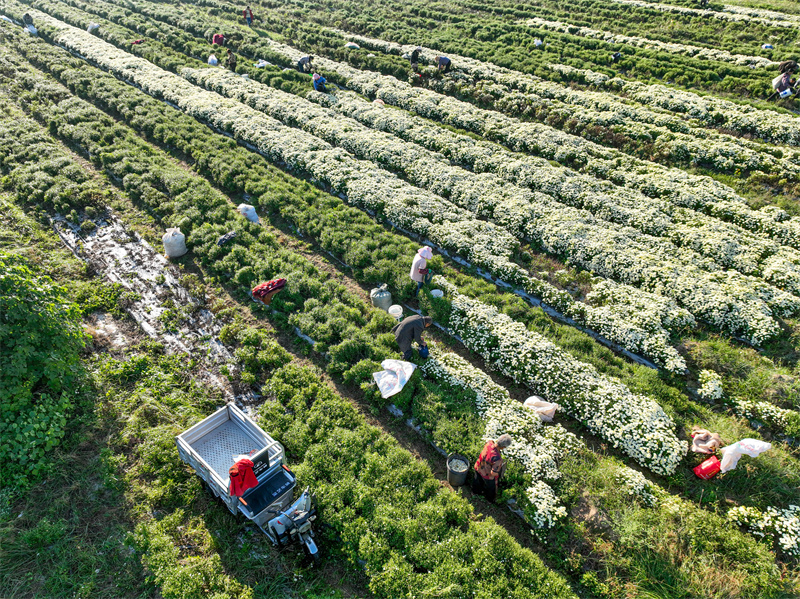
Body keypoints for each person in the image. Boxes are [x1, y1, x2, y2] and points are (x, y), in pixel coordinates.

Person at [472, 434, 512, 502]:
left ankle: (474, 493)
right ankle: (489, 500)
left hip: (479, 466)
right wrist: (498, 473)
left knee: (477, 481)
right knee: (491, 488)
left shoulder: (489, 443)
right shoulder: (497, 458)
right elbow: (493, 473)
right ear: (503, 447)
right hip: (486, 474)